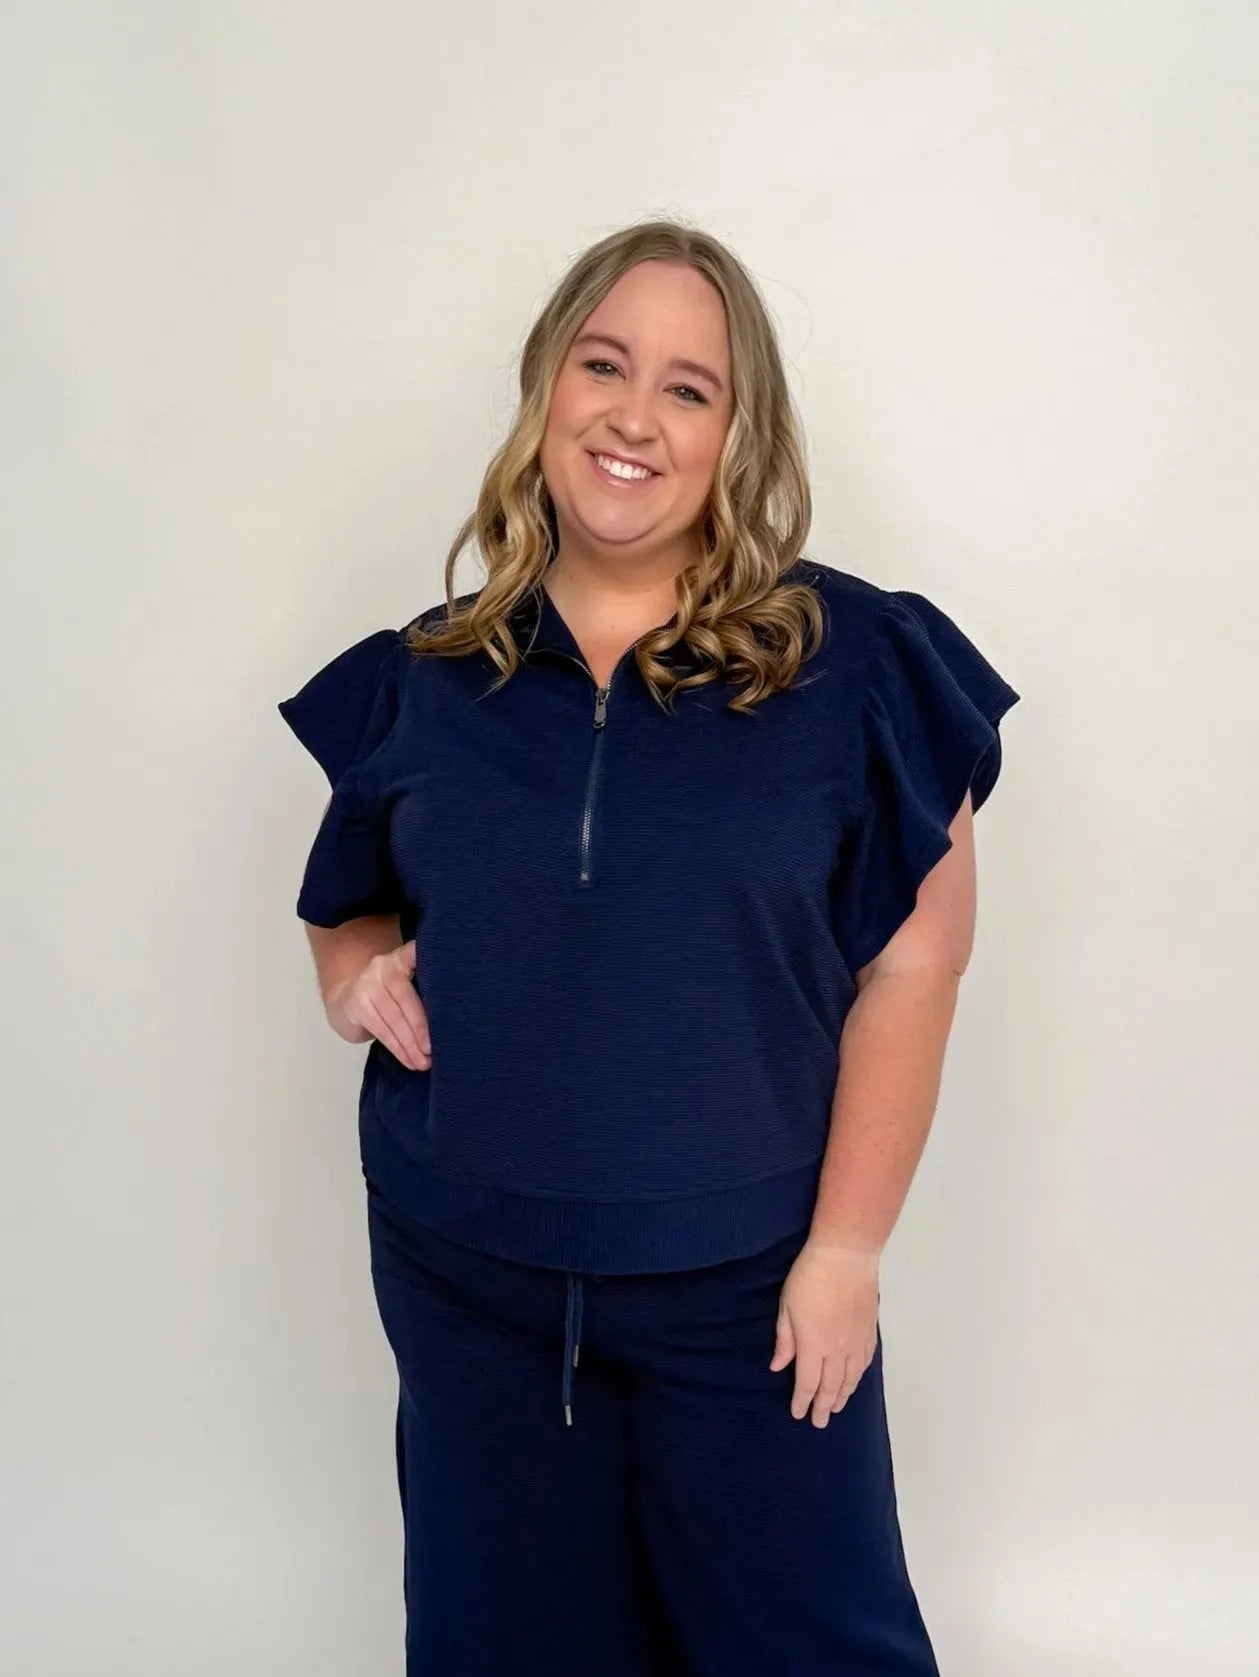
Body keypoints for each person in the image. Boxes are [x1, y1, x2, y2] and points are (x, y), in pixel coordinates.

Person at [277, 218, 1020, 1676]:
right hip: (469, 1281)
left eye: (689, 387)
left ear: (738, 434)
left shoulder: (859, 668)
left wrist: (846, 1248)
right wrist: (353, 975)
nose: (633, 415)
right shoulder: (429, 674)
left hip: (750, 1292)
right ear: (546, 385)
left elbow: (914, 969)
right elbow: (344, 903)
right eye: (603, 364)